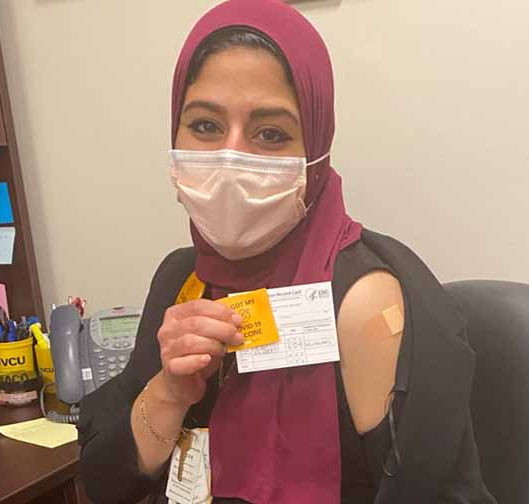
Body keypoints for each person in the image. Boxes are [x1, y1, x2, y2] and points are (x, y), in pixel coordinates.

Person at [79, 1, 495, 503]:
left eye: (270, 134)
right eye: (206, 126)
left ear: (315, 147)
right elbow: (105, 485)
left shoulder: (363, 304)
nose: (231, 157)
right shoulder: (180, 280)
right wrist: (168, 392)